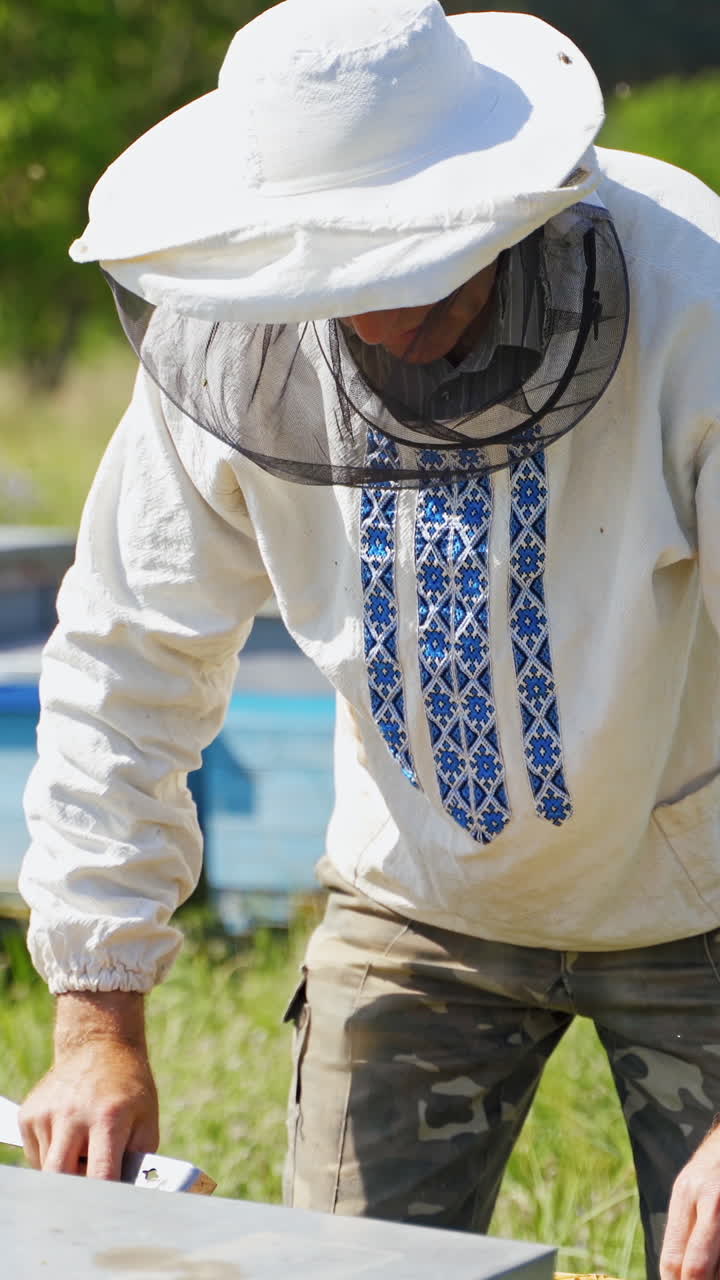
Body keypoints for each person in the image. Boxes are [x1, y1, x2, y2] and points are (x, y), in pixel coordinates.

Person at [16, 2, 720, 1278]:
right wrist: (96, 1017)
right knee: (336, 1270)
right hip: (414, 897)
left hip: (702, 892)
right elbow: (129, 648)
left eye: (407, 260)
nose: (378, 316)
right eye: (334, 275)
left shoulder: (696, 295)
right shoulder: (227, 322)